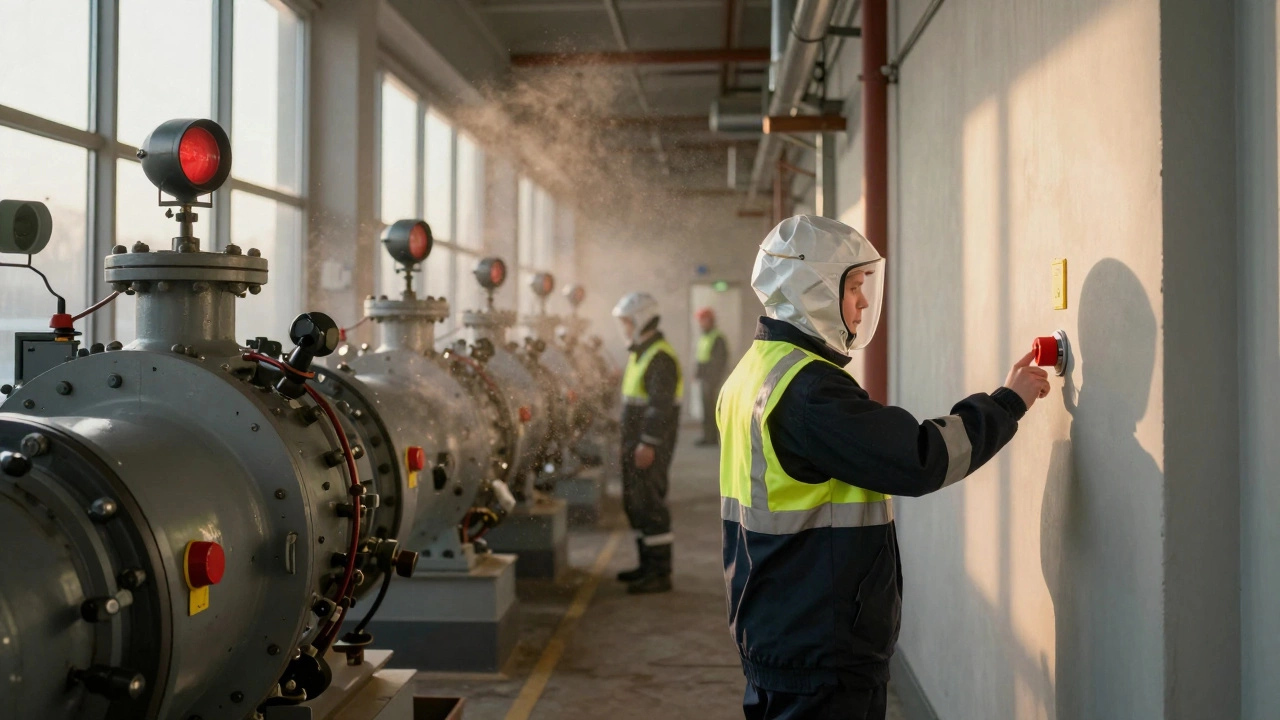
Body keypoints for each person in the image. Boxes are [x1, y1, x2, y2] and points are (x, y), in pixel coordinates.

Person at [718, 216, 1050, 719]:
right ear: (812, 291)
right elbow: (919, 458)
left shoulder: (752, 373)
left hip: (776, 623)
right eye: (852, 286)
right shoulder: (808, 391)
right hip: (820, 643)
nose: (864, 301)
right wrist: (1006, 404)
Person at [612, 292, 683, 594]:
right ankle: (646, 565)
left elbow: (659, 407)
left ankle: (659, 573)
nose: (625, 327)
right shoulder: (641, 352)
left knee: (651, 504)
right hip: (636, 443)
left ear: (641, 319)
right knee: (636, 503)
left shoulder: (659, 357)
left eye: (627, 321)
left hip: (649, 445)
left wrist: (648, 444)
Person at [694, 307, 729, 446]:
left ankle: (713, 438)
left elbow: (719, 360)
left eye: (702, 320)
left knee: (712, 409)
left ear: (709, 320)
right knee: (706, 409)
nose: (700, 323)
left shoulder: (717, 337)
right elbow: (702, 358)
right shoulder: (705, 337)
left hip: (712, 380)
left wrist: (712, 379)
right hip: (705, 379)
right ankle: (707, 437)